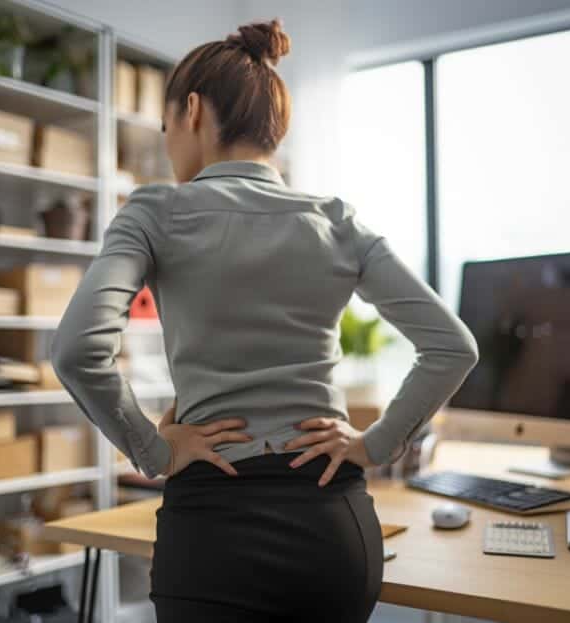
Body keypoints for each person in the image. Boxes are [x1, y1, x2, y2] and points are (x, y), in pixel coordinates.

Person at [50, 17, 479, 623]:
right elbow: (452, 348)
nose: (169, 140)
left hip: (212, 535)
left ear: (191, 111)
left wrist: (151, 448)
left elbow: (76, 349)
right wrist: (374, 444)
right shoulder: (337, 222)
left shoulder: (154, 212)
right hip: (333, 531)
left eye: (166, 124)